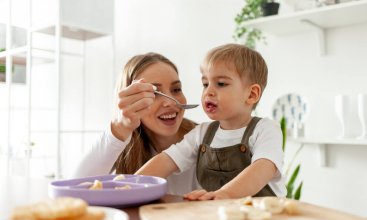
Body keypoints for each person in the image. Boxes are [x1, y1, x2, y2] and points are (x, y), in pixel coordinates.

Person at [136, 43, 286, 200]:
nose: (209, 91)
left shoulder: (266, 129)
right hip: (221, 215)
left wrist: (224, 194)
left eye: (221, 84)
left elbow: (262, 168)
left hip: (266, 217)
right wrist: (132, 184)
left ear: (251, 94)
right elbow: (167, 160)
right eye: (205, 84)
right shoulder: (202, 133)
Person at [71, 52, 199, 195]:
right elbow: (75, 189)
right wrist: (120, 127)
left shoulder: (205, 139)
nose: (169, 102)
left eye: (176, 89)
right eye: (155, 93)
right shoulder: (124, 145)